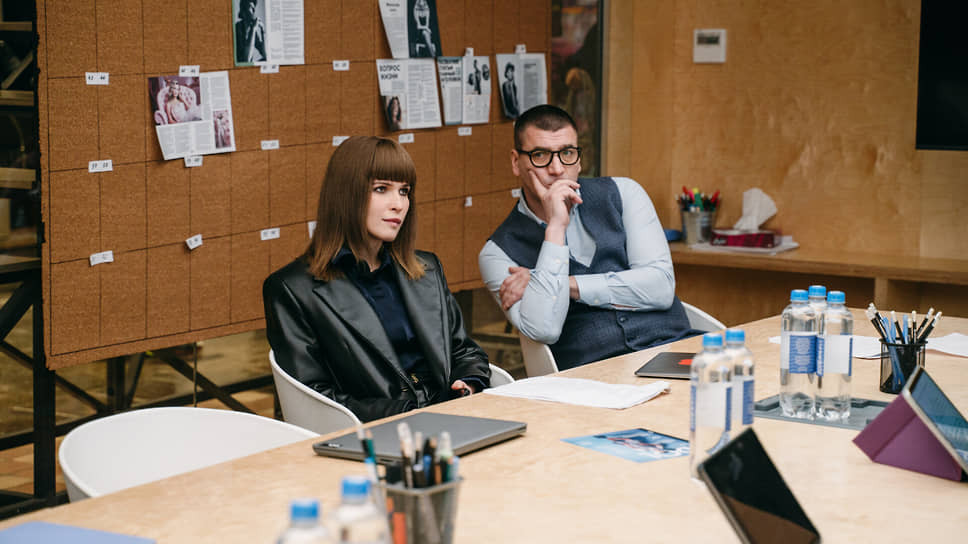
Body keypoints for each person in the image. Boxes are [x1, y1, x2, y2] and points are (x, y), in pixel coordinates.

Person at [264, 136, 491, 422]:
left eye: (404, 191)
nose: (399, 204)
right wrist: (407, 413)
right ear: (346, 194)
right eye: (381, 189)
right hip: (378, 431)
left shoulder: (427, 269)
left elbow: (463, 350)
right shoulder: (292, 289)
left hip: (454, 416)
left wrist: (468, 383)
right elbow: (313, 396)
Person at [478, 105, 695, 370]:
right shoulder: (497, 253)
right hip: (596, 374)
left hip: (676, 349)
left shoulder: (624, 193)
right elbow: (544, 329)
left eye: (567, 153)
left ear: (579, 159)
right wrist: (555, 227)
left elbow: (660, 288)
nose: (557, 169)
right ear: (516, 162)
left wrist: (555, 282)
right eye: (540, 155)